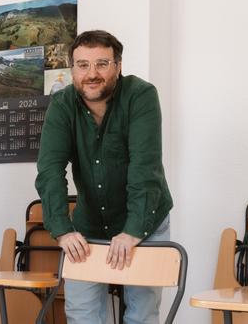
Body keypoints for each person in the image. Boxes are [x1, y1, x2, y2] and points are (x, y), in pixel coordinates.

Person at [35, 30, 173, 324]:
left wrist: (134, 229)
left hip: (144, 219)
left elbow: (144, 168)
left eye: (102, 63)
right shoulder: (61, 105)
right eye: (82, 65)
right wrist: (62, 229)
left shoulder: (141, 95)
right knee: (81, 314)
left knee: (142, 315)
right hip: (90, 225)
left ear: (118, 66)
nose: (91, 73)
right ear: (72, 69)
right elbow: (50, 171)